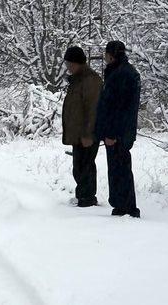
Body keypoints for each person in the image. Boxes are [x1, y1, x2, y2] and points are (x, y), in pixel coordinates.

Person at [95, 41, 141, 218]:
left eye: (106, 53)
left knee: (119, 168)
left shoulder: (121, 75)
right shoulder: (124, 72)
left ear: (112, 55)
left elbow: (119, 107)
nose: (104, 56)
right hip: (122, 131)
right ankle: (122, 205)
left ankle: (126, 206)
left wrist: (112, 133)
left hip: (118, 133)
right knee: (119, 168)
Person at [62, 46, 103, 207]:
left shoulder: (90, 80)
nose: (67, 66)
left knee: (85, 166)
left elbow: (93, 109)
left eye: (69, 63)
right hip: (78, 133)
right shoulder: (78, 79)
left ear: (77, 63)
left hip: (86, 134)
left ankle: (87, 199)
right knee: (79, 166)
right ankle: (82, 196)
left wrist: (88, 134)